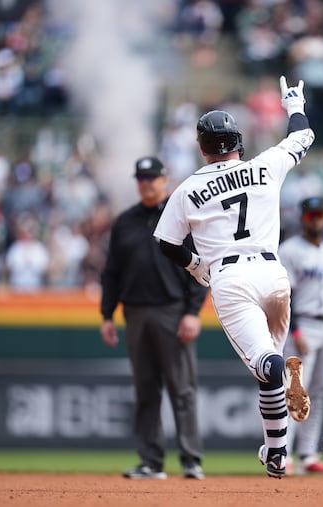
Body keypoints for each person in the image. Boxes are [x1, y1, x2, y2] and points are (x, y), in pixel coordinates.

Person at [153, 76, 315, 478]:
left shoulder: (189, 189)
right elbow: (304, 136)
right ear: (238, 141)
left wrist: (196, 267)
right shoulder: (265, 165)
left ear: (203, 148)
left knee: (267, 366)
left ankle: (278, 386)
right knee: (271, 372)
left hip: (232, 280)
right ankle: (277, 455)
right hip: (274, 275)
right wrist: (293, 105)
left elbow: (165, 242)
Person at [99, 156, 209, 480]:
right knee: (145, 389)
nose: (146, 182)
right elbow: (111, 273)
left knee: (182, 388)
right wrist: (107, 314)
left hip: (172, 311)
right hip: (134, 312)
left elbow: (201, 268)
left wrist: (192, 312)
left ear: (164, 180)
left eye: (151, 177)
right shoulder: (125, 222)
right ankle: (151, 461)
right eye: (141, 178)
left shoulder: (181, 214)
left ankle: (191, 460)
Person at [278, 196, 323, 475]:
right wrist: (294, 330)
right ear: (302, 218)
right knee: (294, 392)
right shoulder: (289, 251)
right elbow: (284, 296)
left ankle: (308, 455)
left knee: (317, 393)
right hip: (302, 324)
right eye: (310, 215)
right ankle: (282, 455)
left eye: (319, 214)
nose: (315, 219)